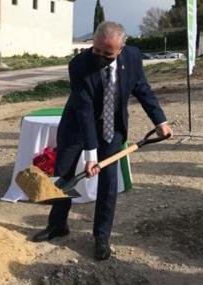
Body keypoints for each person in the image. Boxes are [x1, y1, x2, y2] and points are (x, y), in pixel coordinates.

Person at [31, 21, 173, 261]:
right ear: (93, 43)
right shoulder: (78, 65)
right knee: (63, 175)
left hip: (112, 128)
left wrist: (160, 121)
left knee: (108, 182)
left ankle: (101, 235)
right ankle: (58, 225)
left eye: (107, 54)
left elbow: (143, 89)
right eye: (96, 50)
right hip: (77, 125)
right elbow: (85, 110)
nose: (100, 57)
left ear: (121, 48)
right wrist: (90, 155)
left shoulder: (134, 57)